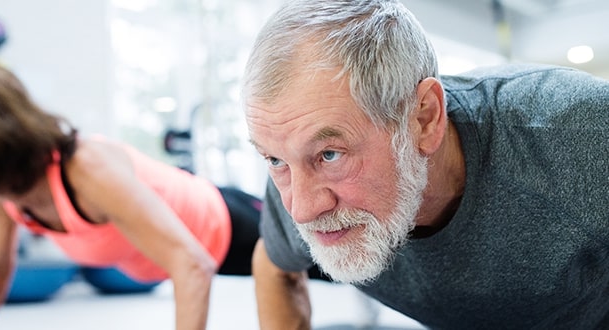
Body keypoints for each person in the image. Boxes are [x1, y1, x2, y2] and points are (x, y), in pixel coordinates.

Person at [241, 0, 609, 329]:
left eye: (330, 154)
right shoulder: (296, 174)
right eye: (274, 159)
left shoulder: (579, 132)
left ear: (424, 119)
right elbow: (274, 264)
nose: (301, 210)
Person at [0, 62, 264, 330]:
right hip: (190, 255)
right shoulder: (6, 191)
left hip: (231, 225)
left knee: (316, 272)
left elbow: (192, 263)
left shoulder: (85, 170)